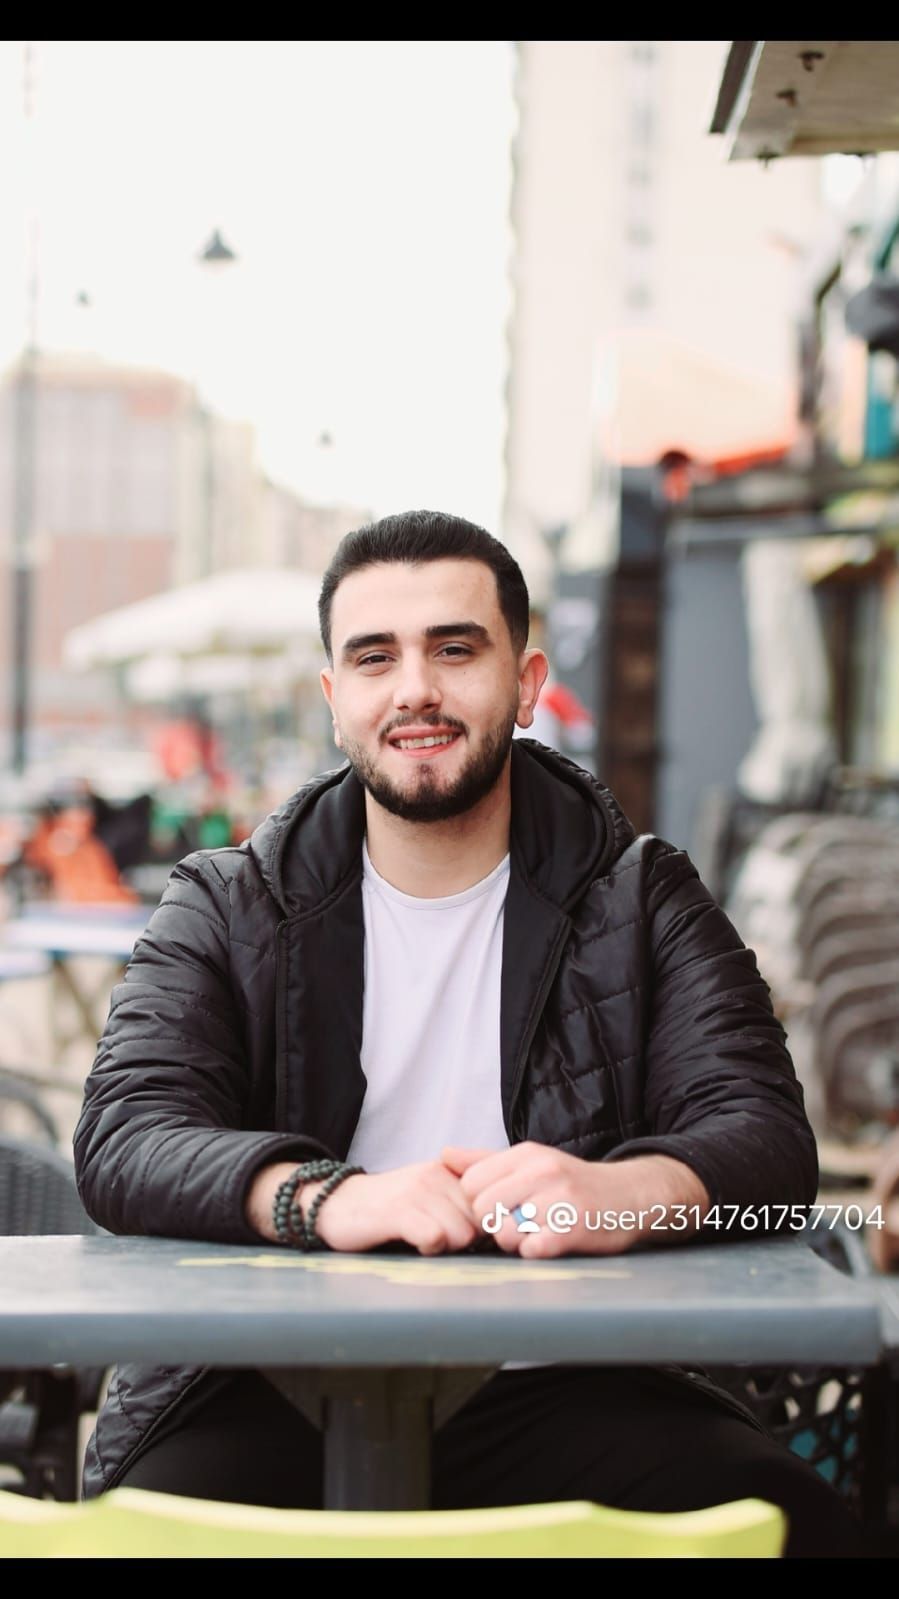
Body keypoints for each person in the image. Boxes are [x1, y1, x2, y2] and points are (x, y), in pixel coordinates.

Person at [73, 510, 865, 1556]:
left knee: (792, 1524)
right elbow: (124, 1135)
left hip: (574, 1379)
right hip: (260, 1381)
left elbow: (768, 1143)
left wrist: (616, 1192)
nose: (414, 689)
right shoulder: (224, 901)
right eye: (375, 658)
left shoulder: (642, 896)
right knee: (132, 1539)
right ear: (334, 699)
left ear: (526, 683)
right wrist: (321, 1198)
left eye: (454, 649)